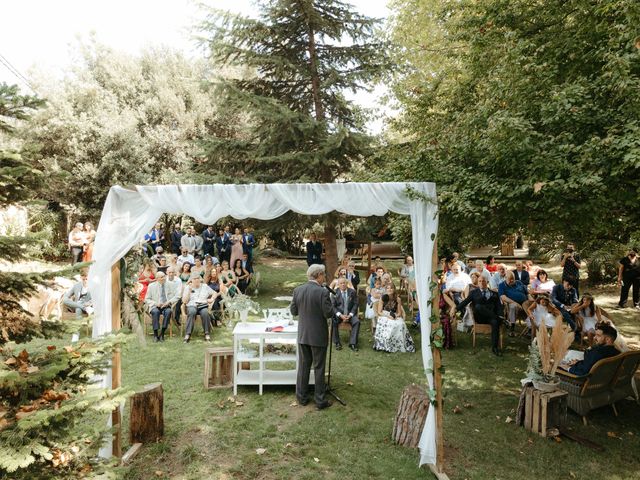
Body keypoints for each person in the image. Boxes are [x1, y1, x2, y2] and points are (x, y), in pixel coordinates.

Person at [289, 264, 334, 409]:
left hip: (303, 334)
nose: (324, 277)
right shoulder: (322, 292)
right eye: (324, 275)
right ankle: (320, 400)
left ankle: (301, 397)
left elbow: (294, 311)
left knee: (303, 366)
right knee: (319, 367)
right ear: (319, 275)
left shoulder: (298, 290)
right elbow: (328, 313)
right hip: (318, 335)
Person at [457, 276, 503, 355]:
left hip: (491, 318)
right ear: (478, 283)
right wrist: (455, 309)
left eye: (483, 281)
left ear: (487, 282)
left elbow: (499, 306)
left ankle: (495, 348)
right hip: (480, 317)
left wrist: (500, 315)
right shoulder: (474, 293)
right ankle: (498, 319)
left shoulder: (494, 293)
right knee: (478, 306)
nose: (481, 283)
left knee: (495, 322)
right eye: (480, 281)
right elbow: (465, 302)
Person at [373, 286, 415, 353]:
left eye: (391, 288)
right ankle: (385, 345)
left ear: (394, 289)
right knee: (391, 324)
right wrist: (387, 316)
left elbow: (399, 313)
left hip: (394, 315)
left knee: (401, 324)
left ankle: (398, 345)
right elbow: (379, 312)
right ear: (386, 289)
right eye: (388, 288)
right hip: (384, 315)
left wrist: (395, 316)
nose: (389, 289)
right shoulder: (383, 298)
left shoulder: (398, 299)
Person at [145, 271, 181, 342]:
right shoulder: (151, 286)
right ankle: (155, 335)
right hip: (155, 305)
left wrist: (169, 302)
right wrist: (155, 303)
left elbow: (178, 295)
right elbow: (146, 299)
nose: (164, 278)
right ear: (157, 278)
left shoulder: (170, 285)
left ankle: (162, 333)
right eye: (161, 277)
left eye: (164, 276)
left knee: (168, 312)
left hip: (166, 305)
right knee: (155, 312)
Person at [182, 274, 216, 343]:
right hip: (192, 305)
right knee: (191, 312)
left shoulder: (205, 286)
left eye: (198, 278)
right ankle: (188, 334)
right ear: (191, 280)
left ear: (200, 279)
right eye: (194, 279)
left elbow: (215, 293)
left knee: (205, 313)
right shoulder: (187, 287)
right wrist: (189, 291)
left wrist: (212, 299)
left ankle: (207, 333)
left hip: (202, 305)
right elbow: (184, 301)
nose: (196, 280)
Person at [331, 277, 360, 351]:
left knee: (356, 322)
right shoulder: (334, 292)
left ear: (347, 283)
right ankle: (337, 343)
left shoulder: (352, 292)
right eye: (341, 283)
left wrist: (350, 315)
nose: (343, 284)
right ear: (338, 284)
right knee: (333, 321)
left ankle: (353, 343)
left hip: (349, 314)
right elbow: (333, 306)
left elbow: (355, 304)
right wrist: (340, 315)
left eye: (344, 283)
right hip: (339, 314)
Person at [498, 271, 532, 336]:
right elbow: (503, 297)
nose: (511, 281)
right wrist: (515, 303)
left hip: (525, 302)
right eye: (509, 279)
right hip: (512, 303)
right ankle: (512, 329)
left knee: (530, 307)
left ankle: (530, 328)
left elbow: (527, 293)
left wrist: (531, 299)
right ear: (505, 278)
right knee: (513, 306)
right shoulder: (502, 285)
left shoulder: (519, 282)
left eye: (512, 279)